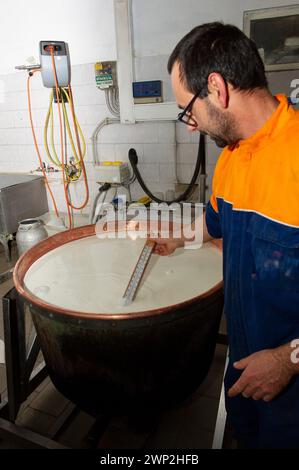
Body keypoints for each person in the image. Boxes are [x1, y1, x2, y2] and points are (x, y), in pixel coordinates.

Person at [152, 22, 299, 449]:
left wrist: (287, 361)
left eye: (187, 110)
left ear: (216, 89)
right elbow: (216, 223)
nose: (190, 125)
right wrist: (177, 237)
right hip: (245, 371)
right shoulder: (232, 159)